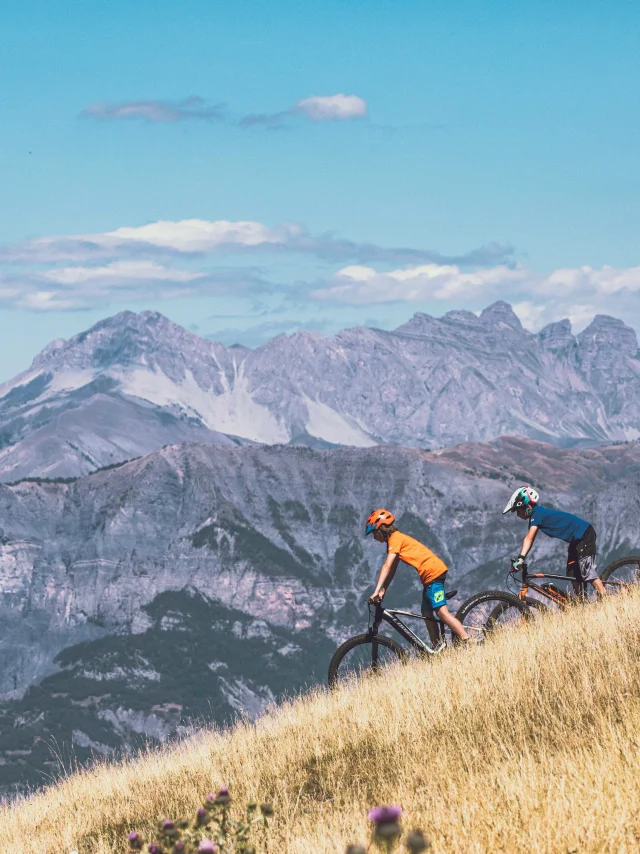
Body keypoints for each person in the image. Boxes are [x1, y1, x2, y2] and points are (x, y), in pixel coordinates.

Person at [365, 508, 469, 645]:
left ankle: (467, 641)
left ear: (380, 529)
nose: (374, 538)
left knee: (441, 613)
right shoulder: (395, 539)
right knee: (426, 612)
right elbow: (393, 568)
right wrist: (383, 589)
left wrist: (376, 591)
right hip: (429, 576)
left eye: (374, 533)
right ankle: (438, 648)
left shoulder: (395, 539)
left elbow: (387, 566)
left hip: (433, 574)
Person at [503, 486, 606, 596]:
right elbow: (529, 538)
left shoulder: (537, 513)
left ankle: (605, 599)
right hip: (576, 540)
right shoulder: (536, 515)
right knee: (572, 574)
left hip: (584, 534)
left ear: (526, 506)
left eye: (517, 511)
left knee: (587, 572)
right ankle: (581, 603)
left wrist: (521, 558)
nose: (517, 515)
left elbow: (529, 538)